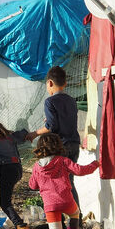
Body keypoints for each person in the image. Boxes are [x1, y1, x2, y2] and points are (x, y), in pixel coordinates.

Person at [28, 132, 98, 229]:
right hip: (66, 200)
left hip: (50, 205)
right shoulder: (62, 161)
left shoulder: (36, 167)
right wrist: (95, 164)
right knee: (75, 213)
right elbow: (80, 170)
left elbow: (32, 186)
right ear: (58, 146)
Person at [34, 66, 81, 205]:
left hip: (61, 147)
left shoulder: (50, 101)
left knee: (56, 183)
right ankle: (75, 219)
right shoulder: (72, 100)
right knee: (69, 181)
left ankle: (58, 218)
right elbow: (65, 120)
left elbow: (51, 127)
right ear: (65, 83)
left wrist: (34, 133)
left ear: (49, 83)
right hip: (74, 144)